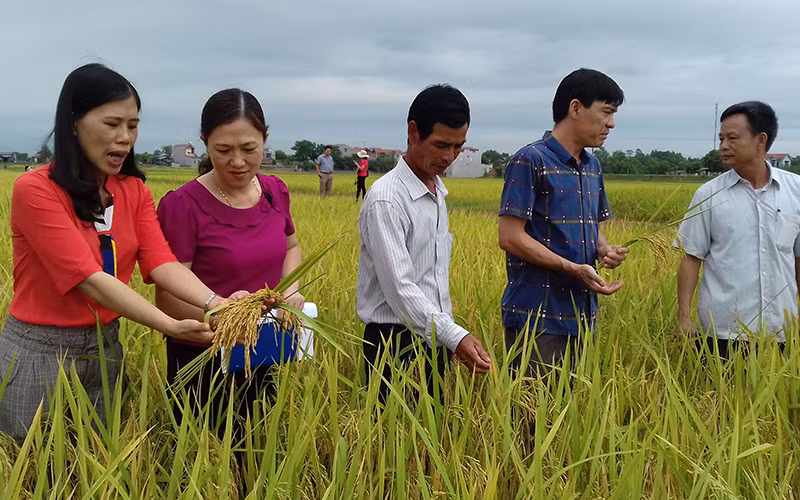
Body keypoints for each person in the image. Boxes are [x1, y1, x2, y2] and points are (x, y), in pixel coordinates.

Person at [0, 64, 242, 441]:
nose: (125, 137)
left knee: (97, 461)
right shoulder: (36, 190)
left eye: (132, 125)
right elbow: (89, 279)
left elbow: (161, 261)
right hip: (39, 353)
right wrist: (170, 326)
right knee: (31, 474)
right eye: (112, 123)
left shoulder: (133, 191)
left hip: (105, 347)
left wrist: (217, 304)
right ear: (74, 123)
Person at [156, 88, 304, 429]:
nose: (237, 162)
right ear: (205, 143)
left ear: (265, 139)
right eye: (223, 150)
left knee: (259, 449)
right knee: (205, 459)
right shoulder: (182, 205)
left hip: (264, 345)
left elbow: (292, 246)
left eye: (249, 149)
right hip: (203, 353)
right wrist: (222, 318)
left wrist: (291, 290)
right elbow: (167, 296)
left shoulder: (274, 191)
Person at [358, 84, 492, 405]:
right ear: (413, 132)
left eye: (458, 146)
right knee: (395, 446)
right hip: (393, 343)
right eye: (441, 145)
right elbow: (400, 288)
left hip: (435, 336)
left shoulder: (436, 193)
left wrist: (447, 336)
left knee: (430, 441)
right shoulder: (387, 199)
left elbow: (431, 277)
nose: (449, 157)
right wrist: (455, 336)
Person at [498, 68, 629, 376]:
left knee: (568, 417)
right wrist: (572, 267)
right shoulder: (530, 160)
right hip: (537, 317)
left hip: (582, 315)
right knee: (531, 419)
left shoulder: (593, 166)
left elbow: (593, 227)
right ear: (575, 108)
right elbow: (510, 237)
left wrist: (604, 250)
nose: (611, 123)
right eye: (606, 112)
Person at [676, 101, 800, 359]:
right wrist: (684, 317)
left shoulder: (796, 191)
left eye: (732, 138)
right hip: (721, 335)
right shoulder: (709, 194)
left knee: (779, 399)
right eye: (721, 138)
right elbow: (691, 258)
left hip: (781, 332)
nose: (723, 146)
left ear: (761, 140)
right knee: (717, 399)